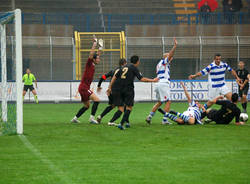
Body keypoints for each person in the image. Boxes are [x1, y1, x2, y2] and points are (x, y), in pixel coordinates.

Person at [107, 55, 158, 130]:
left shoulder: (124, 67)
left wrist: (109, 87)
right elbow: (142, 79)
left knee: (124, 107)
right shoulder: (134, 68)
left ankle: (127, 122)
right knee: (129, 107)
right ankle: (121, 124)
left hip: (120, 89)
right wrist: (153, 80)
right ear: (137, 61)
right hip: (128, 89)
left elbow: (115, 77)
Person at [145, 38, 178, 125]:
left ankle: (149, 116)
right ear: (166, 57)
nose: (171, 59)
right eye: (170, 58)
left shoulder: (158, 64)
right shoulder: (164, 62)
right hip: (163, 83)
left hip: (158, 84)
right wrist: (174, 47)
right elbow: (170, 55)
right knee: (168, 101)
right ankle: (164, 120)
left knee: (160, 102)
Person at [71, 37, 102, 124]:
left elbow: (97, 54)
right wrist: (94, 44)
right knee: (97, 100)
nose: (99, 60)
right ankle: (92, 119)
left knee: (87, 106)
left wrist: (100, 48)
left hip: (83, 87)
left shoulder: (93, 63)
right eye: (98, 59)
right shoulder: (89, 63)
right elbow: (92, 54)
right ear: (94, 59)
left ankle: (75, 118)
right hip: (84, 88)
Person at [96, 58, 127, 125]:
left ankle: (100, 116)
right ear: (124, 63)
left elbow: (103, 77)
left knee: (112, 105)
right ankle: (117, 121)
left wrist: (99, 85)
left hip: (110, 91)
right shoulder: (123, 71)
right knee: (122, 106)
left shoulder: (112, 71)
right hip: (118, 91)